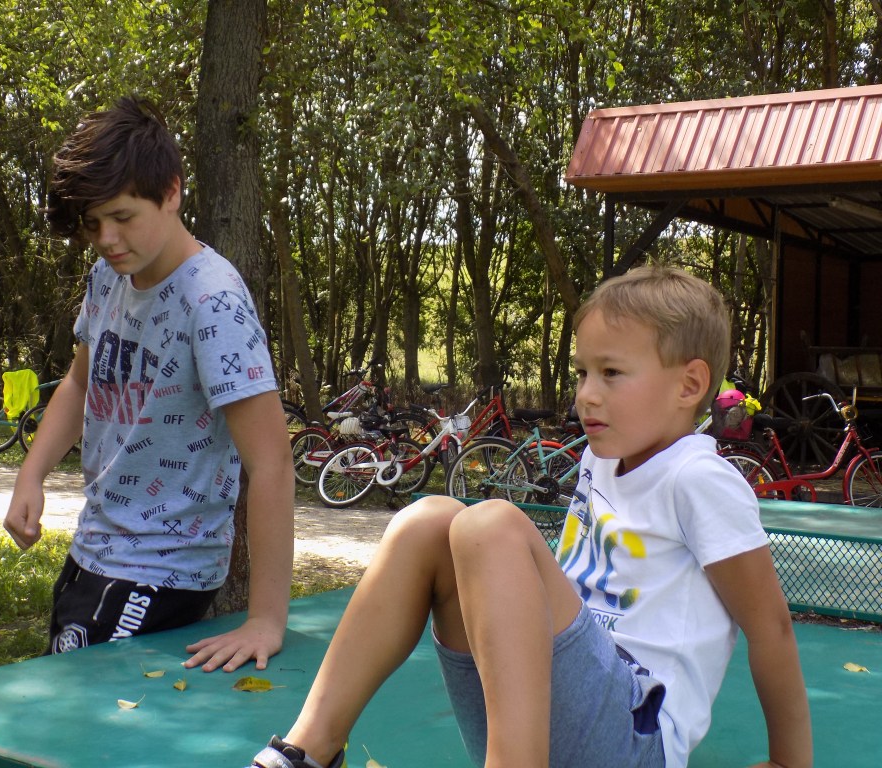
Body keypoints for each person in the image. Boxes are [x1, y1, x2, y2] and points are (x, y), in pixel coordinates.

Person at [247, 265, 812, 768]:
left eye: (611, 373)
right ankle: (307, 751)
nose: (586, 395)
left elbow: (771, 626)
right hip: (537, 716)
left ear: (689, 385)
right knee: (427, 520)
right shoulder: (601, 459)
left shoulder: (699, 478)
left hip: (632, 739)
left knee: (488, 525)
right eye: (583, 373)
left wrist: (789, 761)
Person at [4, 96, 294, 673]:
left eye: (122, 216)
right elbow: (79, 383)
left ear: (171, 192)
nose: (107, 238)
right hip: (95, 549)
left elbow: (272, 463)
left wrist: (266, 619)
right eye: (92, 224)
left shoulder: (213, 302)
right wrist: (31, 474)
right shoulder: (108, 276)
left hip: (165, 569)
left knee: (88, 708)